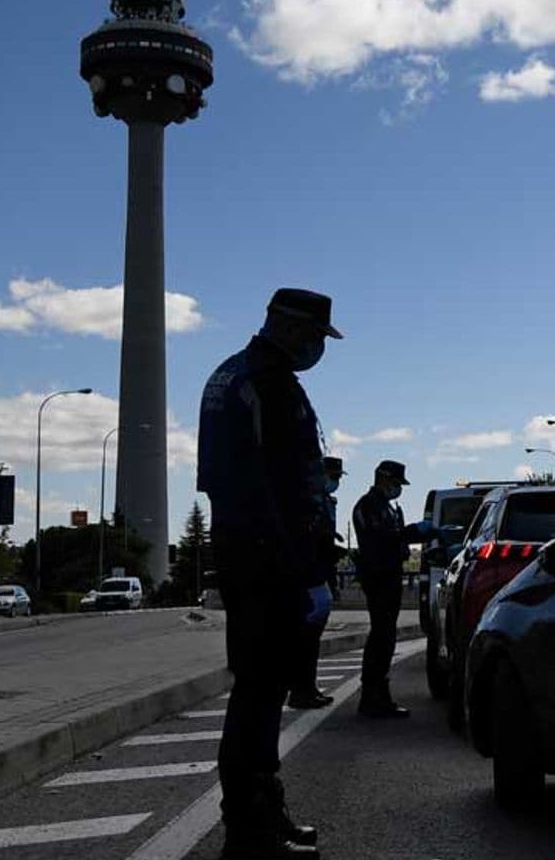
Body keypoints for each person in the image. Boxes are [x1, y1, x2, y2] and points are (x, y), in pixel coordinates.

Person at [197, 288, 338, 859]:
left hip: (251, 555)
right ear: (286, 326)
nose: (316, 349)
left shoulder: (235, 375)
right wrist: (301, 570)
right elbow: (267, 489)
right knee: (257, 696)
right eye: (313, 337)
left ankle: (262, 815)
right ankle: (249, 831)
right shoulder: (266, 383)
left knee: (263, 692)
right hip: (267, 561)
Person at [350, 459, 432, 718]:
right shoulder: (369, 506)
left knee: (385, 637)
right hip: (379, 576)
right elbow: (381, 539)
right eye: (396, 483)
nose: (398, 489)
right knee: (381, 636)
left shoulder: (386, 507)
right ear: (383, 479)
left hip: (389, 574)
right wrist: (412, 532)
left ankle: (378, 696)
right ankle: (373, 697)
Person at [288, 455, 345, 710]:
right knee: (305, 640)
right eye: (332, 477)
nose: (334, 482)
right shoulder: (304, 502)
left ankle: (308, 687)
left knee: (311, 640)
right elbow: (305, 540)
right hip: (307, 576)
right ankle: (301, 690)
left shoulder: (322, 501)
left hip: (319, 573)